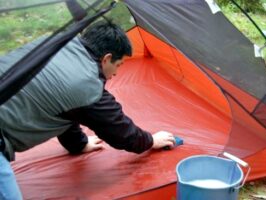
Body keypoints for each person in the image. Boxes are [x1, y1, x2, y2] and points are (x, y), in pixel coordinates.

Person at [0, 20, 175, 200]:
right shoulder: (86, 86)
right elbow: (120, 131)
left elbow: (67, 107)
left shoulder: (59, 42)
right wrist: (150, 140)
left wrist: (78, 144)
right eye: (118, 65)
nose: (116, 74)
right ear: (106, 58)